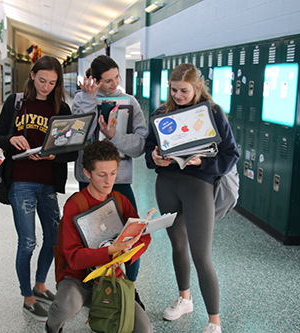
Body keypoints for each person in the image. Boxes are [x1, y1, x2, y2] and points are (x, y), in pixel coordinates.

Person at [145, 63, 239, 333]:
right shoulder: (162, 113)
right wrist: (153, 157)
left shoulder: (212, 113)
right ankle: (184, 299)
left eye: (184, 90)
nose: (178, 95)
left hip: (198, 185)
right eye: (173, 90)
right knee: (177, 245)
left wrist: (201, 162)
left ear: (197, 87)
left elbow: (230, 154)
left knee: (201, 254)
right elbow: (151, 147)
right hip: (167, 184)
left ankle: (214, 321)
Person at [0, 56, 77, 322]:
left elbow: (71, 150)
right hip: (21, 180)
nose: (46, 87)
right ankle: (27, 297)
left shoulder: (61, 108)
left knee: (53, 238)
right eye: (42, 80)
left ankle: (40, 285)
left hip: (48, 182)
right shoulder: (16, 102)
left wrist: (54, 156)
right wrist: (10, 139)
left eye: (52, 82)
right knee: (27, 242)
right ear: (32, 75)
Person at [46, 140, 153, 333]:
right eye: (101, 175)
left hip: (110, 277)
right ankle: (52, 326)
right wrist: (111, 250)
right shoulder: (75, 205)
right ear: (87, 173)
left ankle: (103, 313)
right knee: (66, 307)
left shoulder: (120, 200)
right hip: (78, 279)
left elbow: (144, 236)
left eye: (113, 173)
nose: (109, 181)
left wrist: (129, 252)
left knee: (144, 329)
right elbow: (74, 257)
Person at [71, 55, 148, 303]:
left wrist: (115, 136)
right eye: (107, 81)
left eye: (117, 78)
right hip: (89, 180)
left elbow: (139, 145)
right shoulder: (81, 99)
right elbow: (75, 134)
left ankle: (130, 286)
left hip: (121, 179)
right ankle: (95, 286)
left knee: (132, 233)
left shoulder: (130, 102)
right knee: (91, 237)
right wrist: (89, 100)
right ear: (94, 80)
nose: (114, 84)